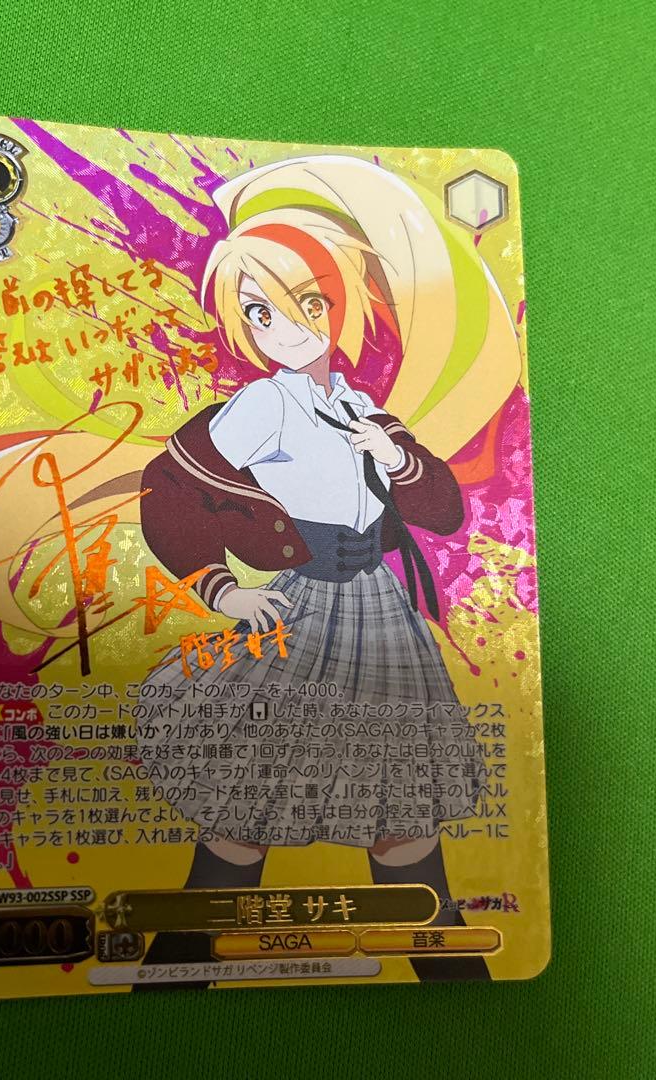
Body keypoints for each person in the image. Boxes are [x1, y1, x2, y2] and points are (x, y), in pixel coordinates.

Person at [135, 155, 520, 982]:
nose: (285, 326)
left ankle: (455, 980)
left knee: (404, 814)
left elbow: (443, 512)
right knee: (246, 809)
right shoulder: (264, 403)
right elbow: (170, 491)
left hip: (379, 612)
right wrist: (222, 587)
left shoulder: (357, 404)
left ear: (343, 302)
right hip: (303, 608)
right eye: (259, 311)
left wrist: (396, 455)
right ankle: (176, 969)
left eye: (308, 302)